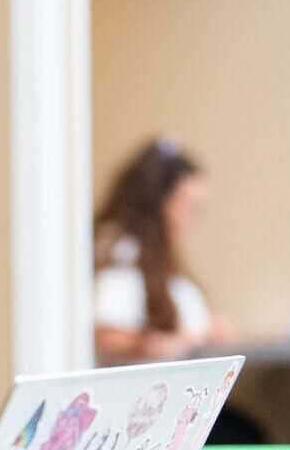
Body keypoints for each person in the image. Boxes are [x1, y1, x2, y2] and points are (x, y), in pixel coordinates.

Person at [92, 137, 231, 364]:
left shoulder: (163, 263)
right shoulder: (121, 252)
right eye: (190, 207)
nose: (193, 220)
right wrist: (161, 344)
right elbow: (105, 334)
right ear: (156, 205)